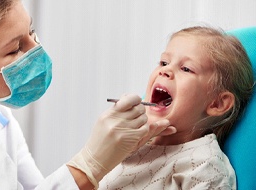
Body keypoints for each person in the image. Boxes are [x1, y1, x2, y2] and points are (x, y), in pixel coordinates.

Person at [0, 0, 177, 189]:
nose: (36, 50)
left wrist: (111, 161)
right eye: (15, 49)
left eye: (31, 32)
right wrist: (90, 164)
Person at [99, 26, 254, 189]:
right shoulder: (129, 144)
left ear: (217, 104)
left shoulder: (202, 167)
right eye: (163, 62)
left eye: (186, 68)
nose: (165, 70)